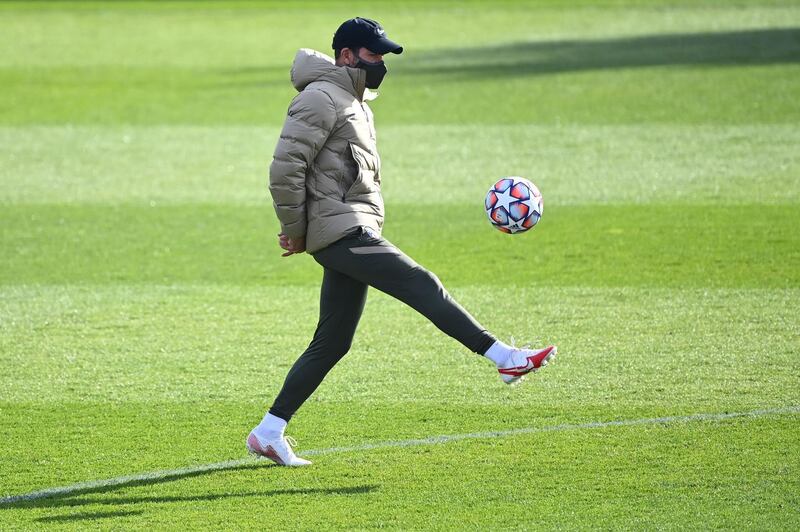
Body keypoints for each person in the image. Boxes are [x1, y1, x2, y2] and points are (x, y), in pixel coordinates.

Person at [247, 17, 556, 466]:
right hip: (340, 231)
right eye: (374, 55)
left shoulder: (354, 102)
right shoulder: (320, 98)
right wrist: (295, 231)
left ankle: (269, 431)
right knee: (420, 282)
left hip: (350, 228)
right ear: (347, 56)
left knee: (333, 341)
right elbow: (284, 169)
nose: (381, 64)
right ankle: (504, 357)